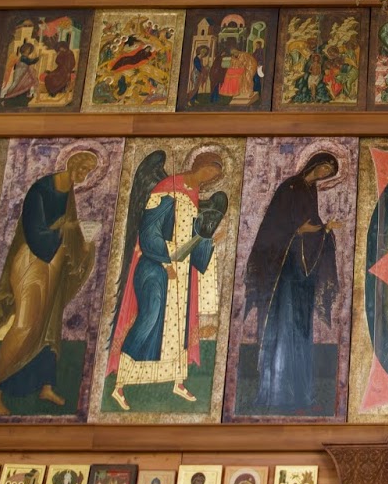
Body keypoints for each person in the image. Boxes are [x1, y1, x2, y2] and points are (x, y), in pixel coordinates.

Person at [106, 149, 231, 410]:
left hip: (182, 272)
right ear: (198, 164)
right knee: (149, 318)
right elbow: (149, 230)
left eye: (214, 175)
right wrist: (165, 263)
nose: (209, 176)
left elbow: (192, 238)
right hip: (155, 266)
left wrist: (208, 241)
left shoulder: (194, 196)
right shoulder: (167, 187)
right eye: (209, 169)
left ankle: (177, 380)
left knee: (179, 326)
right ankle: (120, 385)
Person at [0, 151, 99, 416]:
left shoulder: (69, 193)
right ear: (71, 164)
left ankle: (46, 386)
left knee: (49, 326)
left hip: (54, 265)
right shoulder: (41, 189)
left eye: (88, 171)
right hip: (32, 260)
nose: (84, 175)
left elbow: (70, 229)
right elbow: (35, 230)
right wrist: (65, 230)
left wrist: (84, 245)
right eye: (82, 168)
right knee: (25, 325)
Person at [243, 152, 341, 413]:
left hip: (302, 274)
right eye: (324, 167)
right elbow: (276, 226)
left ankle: (301, 395)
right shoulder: (290, 187)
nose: (325, 173)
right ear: (314, 163)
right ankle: (276, 393)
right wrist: (302, 230)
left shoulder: (310, 192)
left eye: (329, 172)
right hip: (283, 271)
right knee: (284, 323)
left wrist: (324, 231)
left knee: (301, 327)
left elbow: (310, 230)